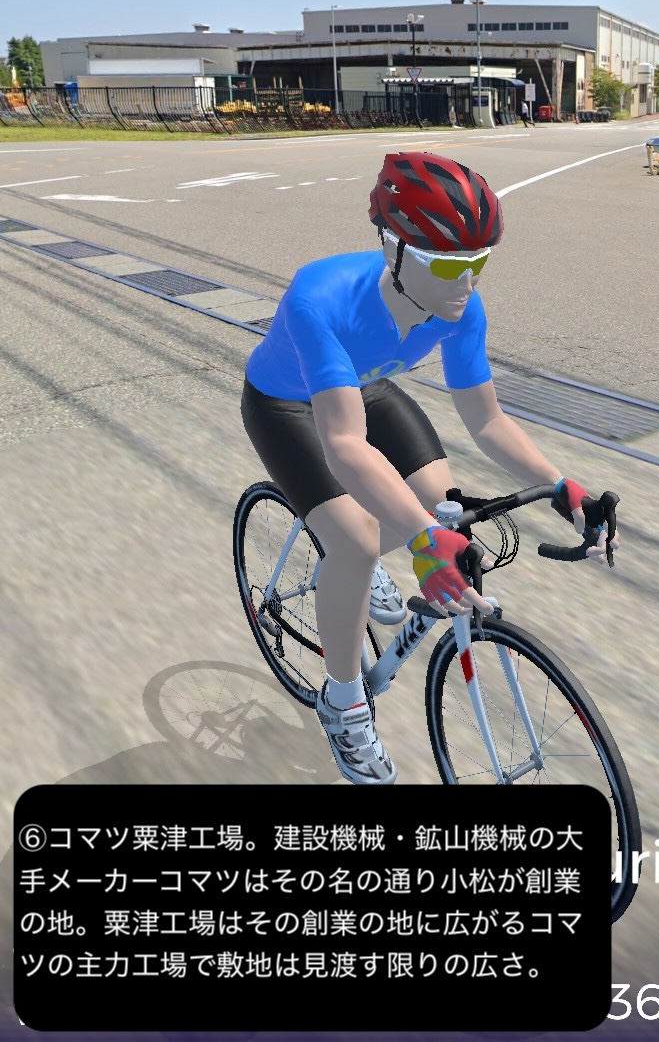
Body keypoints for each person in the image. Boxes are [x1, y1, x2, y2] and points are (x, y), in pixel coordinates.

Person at [240, 152, 617, 785]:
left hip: (368, 386)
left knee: (449, 508)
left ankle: (360, 573)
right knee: (358, 540)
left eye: (478, 262)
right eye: (446, 265)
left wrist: (560, 486)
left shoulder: (462, 308)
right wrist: (418, 539)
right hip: (286, 403)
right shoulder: (319, 298)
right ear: (393, 248)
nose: (465, 282)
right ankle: (343, 701)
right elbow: (344, 444)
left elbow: (488, 422)